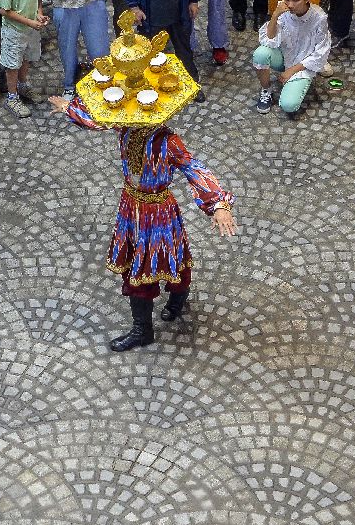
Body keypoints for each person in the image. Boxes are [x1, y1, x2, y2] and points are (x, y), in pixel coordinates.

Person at [46, 89, 237, 350]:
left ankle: (177, 300)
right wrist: (70, 107)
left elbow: (194, 167)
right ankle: (142, 330)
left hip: (158, 211)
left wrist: (218, 205)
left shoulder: (169, 142)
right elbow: (99, 119)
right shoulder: (126, 127)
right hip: (131, 206)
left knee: (171, 256)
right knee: (135, 263)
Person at [252, 0, 330, 117]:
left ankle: (300, 83)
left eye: (295, 0)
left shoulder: (319, 18)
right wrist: (275, 16)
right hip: (283, 56)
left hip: (303, 65)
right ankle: (266, 90)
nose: (290, 5)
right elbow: (269, 39)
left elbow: (320, 53)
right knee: (260, 54)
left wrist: (291, 71)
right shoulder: (283, 10)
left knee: (289, 105)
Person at [0, 0, 46, 117]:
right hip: (14, 31)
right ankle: (12, 97)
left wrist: (39, 13)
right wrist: (30, 22)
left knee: (26, 58)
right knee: (12, 65)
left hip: (31, 28)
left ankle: (23, 86)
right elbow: (3, 10)